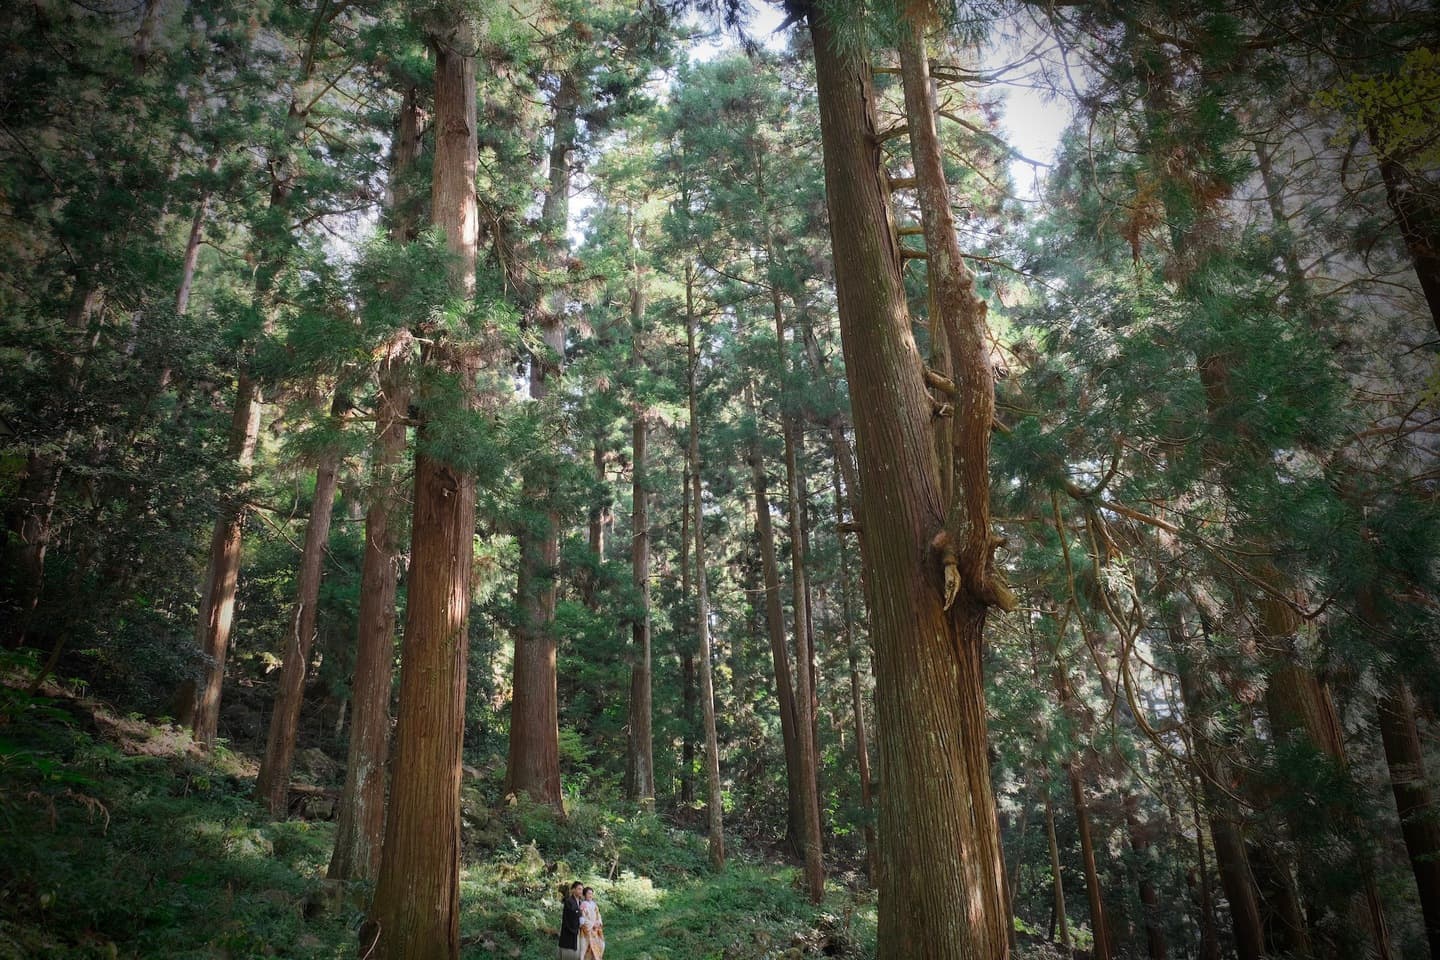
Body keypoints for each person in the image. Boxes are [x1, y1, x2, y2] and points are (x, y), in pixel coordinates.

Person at [558, 881, 583, 960]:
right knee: (568, 954)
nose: (580, 891)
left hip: (577, 931)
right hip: (569, 930)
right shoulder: (569, 901)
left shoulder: (580, 902)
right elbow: (571, 916)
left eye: (582, 889)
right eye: (579, 889)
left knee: (576, 954)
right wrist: (579, 914)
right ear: (573, 890)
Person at [578, 886, 605, 960]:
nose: (590, 895)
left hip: (595, 929)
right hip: (587, 930)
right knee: (584, 948)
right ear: (585, 895)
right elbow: (582, 918)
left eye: (591, 894)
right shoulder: (583, 904)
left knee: (600, 945)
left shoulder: (594, 904)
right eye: (588, 893)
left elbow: (598, 914)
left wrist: (598, 922)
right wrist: (592, 924)